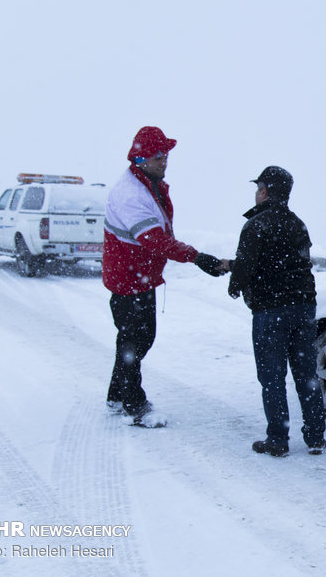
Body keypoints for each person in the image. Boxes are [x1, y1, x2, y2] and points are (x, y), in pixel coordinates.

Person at [102, 125, 227, 427]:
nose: (165, 161)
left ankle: (117, 395)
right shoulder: (130, 194)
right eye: (159, 156)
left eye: (166, 155)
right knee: (135, 340)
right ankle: (134, 404)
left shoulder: (149, 183)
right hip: (128, 279)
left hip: (139, 276)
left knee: (138, 338)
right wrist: (196, 257)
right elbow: (155, 239)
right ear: (140, 158)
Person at [224, 166, 326, 457]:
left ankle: (278, 440)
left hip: (271, 311)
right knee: (306, 373)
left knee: (272, 376)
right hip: (304, 307)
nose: (256, 193)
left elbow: (245, 267)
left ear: (265, 191)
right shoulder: (298, 225)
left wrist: (234, 285)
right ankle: (316, 436)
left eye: (258, 188)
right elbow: (295, 264)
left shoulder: (256, 225)